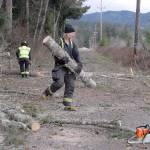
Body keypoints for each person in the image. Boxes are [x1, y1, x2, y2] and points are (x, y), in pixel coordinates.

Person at [42, 24, 83, 111]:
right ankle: (46, 93)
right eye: (72, 33)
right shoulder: (60, 42)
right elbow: (54, 53)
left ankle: (67, 105)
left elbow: (76, 55)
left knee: (71, 85)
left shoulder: (72, 44)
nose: (73, 35)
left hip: (70, 68)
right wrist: (61, 59)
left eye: (74, 33)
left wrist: (79, 64)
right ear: (67, 33)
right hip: (60, 66)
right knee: (59, 83)